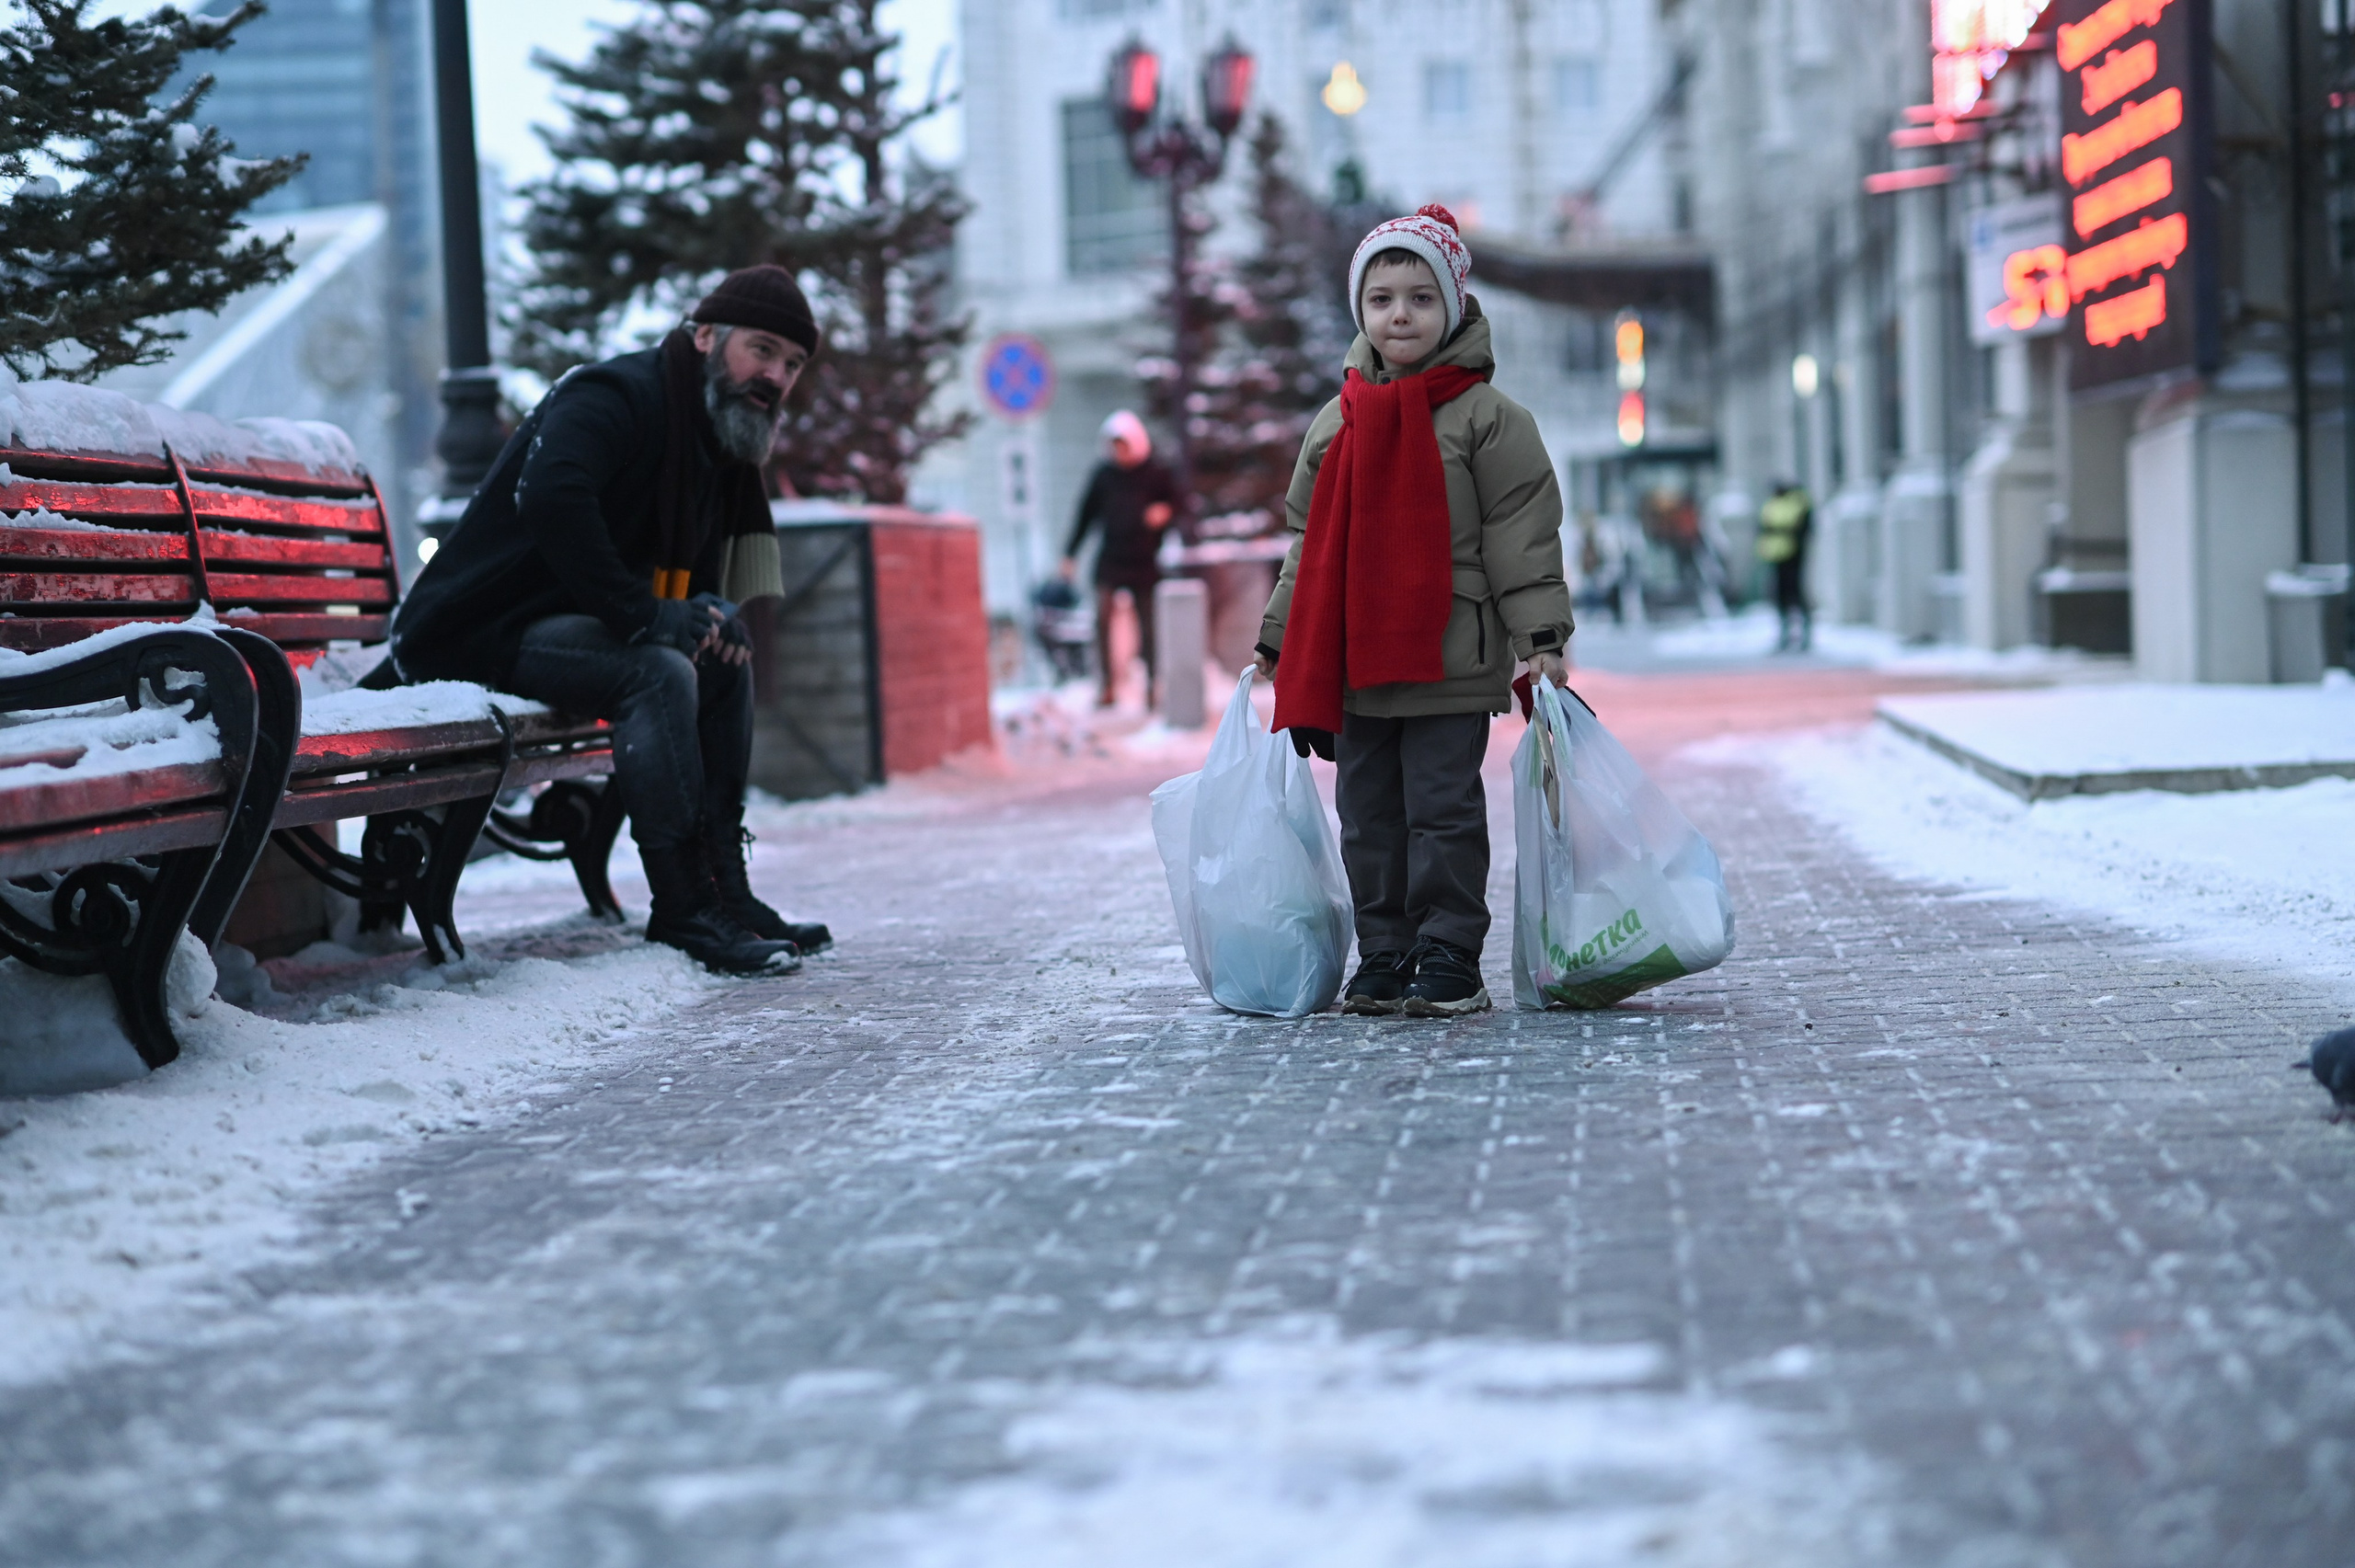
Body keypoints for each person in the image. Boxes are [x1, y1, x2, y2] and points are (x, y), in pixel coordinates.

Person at [389, 266, 831, 977]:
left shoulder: (714, 436)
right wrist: (646, 614)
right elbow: (552, 496)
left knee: (720, 660)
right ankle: (684, 908)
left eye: (792, 362)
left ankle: (726, 891)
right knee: (656, 671)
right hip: (474, 632)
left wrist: (708, 611)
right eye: (763, 349)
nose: (776, 375)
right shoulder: (617, 394)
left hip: (560, 627)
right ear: (707, 335)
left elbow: (683, 571)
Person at [1252, 205, 1573, 1019]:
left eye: (1421, 298)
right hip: (1356, 659)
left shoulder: (1490, 421)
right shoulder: (1338, 422)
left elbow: (1520, 535)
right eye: (1382, 298)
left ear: (1456, 306)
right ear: (1360, 311)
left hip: (1449, 656)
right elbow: (1309, 546)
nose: (1401, 315)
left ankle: (1448, 954)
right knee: (1368, 819)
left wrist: (1539, 638)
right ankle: (1385, 952)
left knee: (1442, 813)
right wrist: (1280, 639)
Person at [1061, 410, 1178, 708]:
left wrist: (1163, 514)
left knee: (1147, 625)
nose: (1119, 453)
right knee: (1101, 620)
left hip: (1143, 560)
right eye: (1115, 447)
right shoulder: (1103, 476)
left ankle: (1153, 684)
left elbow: (1179, 504)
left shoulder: (1155, 473)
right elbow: (1084, 516)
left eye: (1124, 445)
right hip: (1111, 559)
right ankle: (1107, 685)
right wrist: (1069, 554)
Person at [1757, 480, 1813, 651]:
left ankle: (1803, 633)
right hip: (1776, 555)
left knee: (1795, 594)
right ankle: (1785, 632)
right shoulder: (1772, 505)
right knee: (1780, 595)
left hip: (1794, 556)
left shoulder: (1797, 504)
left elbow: (1803, 528)